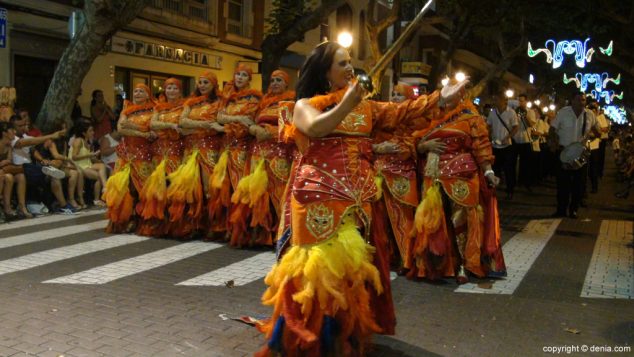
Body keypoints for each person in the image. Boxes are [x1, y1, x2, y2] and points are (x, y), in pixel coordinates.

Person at [256, 42, 438, 356]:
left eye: (350, 62)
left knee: (350, 273)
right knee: (316, 274)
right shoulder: (303, 105)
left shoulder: (367, 108)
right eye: (342, 63)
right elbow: (315, 128)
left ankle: (343, 335)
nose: (350, 68)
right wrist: (347, 103)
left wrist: (441, 98)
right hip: (317, 197)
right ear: (325, 72)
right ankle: (308, 338)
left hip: (359, 200)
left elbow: (402, 112)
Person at [409, 77, 506, 284]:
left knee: (460, 221)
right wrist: (423, 147)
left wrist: (489, 172)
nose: (450, 97)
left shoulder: (471, 117)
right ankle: (436, 265)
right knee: (433, 221)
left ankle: (463, 264)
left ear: (462, 94)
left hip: (463, 175)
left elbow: (481, 146)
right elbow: (414, 141)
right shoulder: (430, 115)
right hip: (433, 175)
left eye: (455, 93)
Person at [228, 69, 295, 247]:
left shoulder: (288, 102)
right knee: (256, 196)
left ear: (286, 84)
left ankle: (282, 235)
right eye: (272, 80)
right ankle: (259, 235)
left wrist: (266, 132)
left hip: (278, 155)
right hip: (257, 154)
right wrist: (252, 129)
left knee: (279, 194)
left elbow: (288, 130)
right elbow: (250, 123)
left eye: (279, 80)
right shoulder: (263, 104)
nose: (274, 83)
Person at [372, 82, 429, 273]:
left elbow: (417, 143)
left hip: (403, 174)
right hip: (379, 174)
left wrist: (401, 146)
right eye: (394, 94)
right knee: (380, 220)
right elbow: (366, 141)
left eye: (400, 95)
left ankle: (407, 259)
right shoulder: (381, 116)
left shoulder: (417, 120)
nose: (395, 97)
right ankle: (384, 257)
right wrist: (379, 147)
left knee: (404, 219)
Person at [167, 71, 224, 238]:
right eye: (200, 82)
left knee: (209, 189)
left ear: (214, 84)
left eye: (206, 82)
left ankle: (212, 226)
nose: (202, 85)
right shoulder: (190, 103)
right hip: (190, 150)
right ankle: (192, 225)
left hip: (210, 150)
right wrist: (205, 125)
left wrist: (193, 128)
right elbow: (182, 122)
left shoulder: (219, 102)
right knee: (189, 189)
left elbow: (219, 123)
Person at [213, 64, 262, 245]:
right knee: (224, 189)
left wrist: (231, 120)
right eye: (237, 75)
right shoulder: (229, 97)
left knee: (239, 187)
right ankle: (228, 227)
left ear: (249, 79)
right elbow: (219, 117)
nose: (239, 78)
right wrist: (237, 119)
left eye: (243, 75)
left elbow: (250, 119)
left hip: (242, 147)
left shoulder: (254, 98)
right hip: (225, 147)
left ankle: (242, 229)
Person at [104, 83, 156, 233]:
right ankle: (127, 219)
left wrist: (132, 127)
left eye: (141, 91)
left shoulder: (154, 110)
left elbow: (152, 129)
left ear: (148, 95)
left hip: (144, 153)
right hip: (125, 153)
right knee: (123, 186)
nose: (138, 93)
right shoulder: (127, 109)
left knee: (142, 187)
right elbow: (121, 129)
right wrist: (143, 133)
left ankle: (144, 220)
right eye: (135, 91)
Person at [137, 78, 184, 237]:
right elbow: (152, 124)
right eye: (168, 88)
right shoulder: (159, 108)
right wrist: (170, 126)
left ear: (179, 91)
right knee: (158, 187)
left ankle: (175, 224)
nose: (171, 90)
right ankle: (159, 223)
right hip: (158, 151)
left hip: (177, 150)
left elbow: (183, 125)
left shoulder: (184, 106)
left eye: (174, 88)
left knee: (174, 186)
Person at [550, 92, 599, 218]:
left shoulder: (590, 115)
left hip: (580, 153)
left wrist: (591, 137)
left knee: (579, 184)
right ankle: (561, 209)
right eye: (578, 100)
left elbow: (598, 131)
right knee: (562, 184)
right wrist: (554, 142)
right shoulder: (563, 113)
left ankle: (574, 210)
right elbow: (552, 129)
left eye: (583, 100)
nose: (581, 102)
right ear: (572, 100)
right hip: (564, 151)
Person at [10, 115, 71, 215]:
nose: (22, 127)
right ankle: (44, 170)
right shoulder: (12, 138)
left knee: (53, 176)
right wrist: (51, 136)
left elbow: (33, 147)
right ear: (13, 128)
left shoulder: (26, 136)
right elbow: (29, 142)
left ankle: (63, 206)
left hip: (30, 169)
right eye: (19, 126)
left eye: (23, 125)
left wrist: (42, 159)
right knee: (36, 169)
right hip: (19, 168)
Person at [33, 123, 85, 210]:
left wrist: (69, 164)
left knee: (75, 172)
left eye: (65, 128)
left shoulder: (64, 141)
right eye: (62, 129)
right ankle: (51, 170)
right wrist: (68, 160)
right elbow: (56, 155)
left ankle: (71, 199)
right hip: (46, 163)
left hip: (59, 165)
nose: (65, 131)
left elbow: (63, 158)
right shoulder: (50, 140)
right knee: (56, 164)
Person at [486, 94, 519, 199]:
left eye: (498, 99)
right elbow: (489, 126)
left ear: (504, 101)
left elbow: (515, 127)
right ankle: (494, 189)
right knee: (495, 168)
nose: (496, 101)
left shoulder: (511, 112)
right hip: (495, 145)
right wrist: (489, 136)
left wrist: (507, 137)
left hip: (507, 146)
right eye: (495, 99)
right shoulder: (493, 112)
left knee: (509, 169)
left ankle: (510, 190)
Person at [71, 121, 109, 207]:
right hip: (78, 166)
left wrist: (95, 157)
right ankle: (98, 197)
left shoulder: (87, 142)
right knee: (99, 175)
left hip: (86, 164)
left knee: (102, 166)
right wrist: (90, 154)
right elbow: (74, 157)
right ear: (84, 133)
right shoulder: (78, 141)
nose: (93, 132)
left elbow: (89, 158)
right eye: (90, 131)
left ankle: (105, 187)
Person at [514, 94, 537, 191]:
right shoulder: (513, 111)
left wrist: (524, 115)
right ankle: (514, 182)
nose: (520, 103)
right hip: (515, 140)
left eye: (522, 101)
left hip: (525, 140)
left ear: (526, 102)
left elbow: (531, 124)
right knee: (512, 163)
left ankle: (526, 183)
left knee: (526, 164)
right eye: (519, 101)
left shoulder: (530, 111)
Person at [0, 122, 23, 220]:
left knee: (9, 177)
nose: (14, 131)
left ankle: (7, 208)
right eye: (11, 130)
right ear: (4, 133)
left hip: (3, 170)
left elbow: (9, 160)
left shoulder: (9, 146)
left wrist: (6, 162)